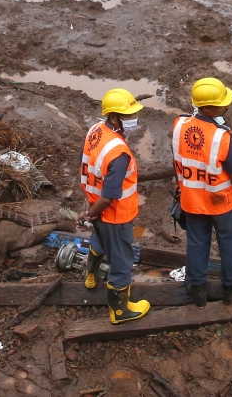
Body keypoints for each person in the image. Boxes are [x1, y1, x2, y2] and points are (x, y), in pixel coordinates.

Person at [172, 77, 232, 308]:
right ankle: (230, 288)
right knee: (228, 243)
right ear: (208, 108)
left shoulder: (179, 126)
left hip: (192, 200)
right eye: (222, 104)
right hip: (222, 204)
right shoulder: (223, 136)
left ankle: (196, 289)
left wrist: (179, 183)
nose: (227, 107)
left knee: (197, 243)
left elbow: (178, 159)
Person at [80, 88, 150, 324]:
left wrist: (90, 212)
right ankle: (120, 311)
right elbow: (110, 196)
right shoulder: (119, 153)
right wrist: (91, 214)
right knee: (121, 262)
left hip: (94, 204)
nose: (133, 120)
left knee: (99, 242)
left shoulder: (96, 130)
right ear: (113, 117)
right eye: (128, 116)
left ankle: (90, 275)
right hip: (115, 215)